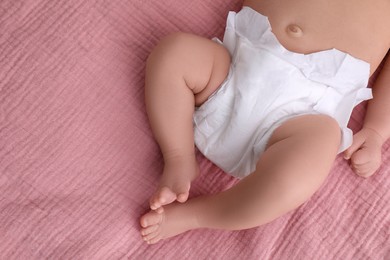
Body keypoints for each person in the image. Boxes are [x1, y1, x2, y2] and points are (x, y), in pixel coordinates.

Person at [140, 0, 390, 244]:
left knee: (321, 141)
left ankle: (198, 214)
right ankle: (178, 157)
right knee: (175, 51)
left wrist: (377, 130)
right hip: (235, 68)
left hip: (301, 117)